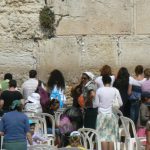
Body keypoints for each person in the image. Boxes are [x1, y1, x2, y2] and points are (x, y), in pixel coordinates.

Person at [93, 75, 123, 150]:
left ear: (103, 82)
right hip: (112, 115)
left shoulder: (99, 90)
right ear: (110, 81)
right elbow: (121, 103)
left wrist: (102, 105)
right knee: (111, 137)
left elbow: (95, 104)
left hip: (101, 116)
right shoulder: (115, 90)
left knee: (103, 137)